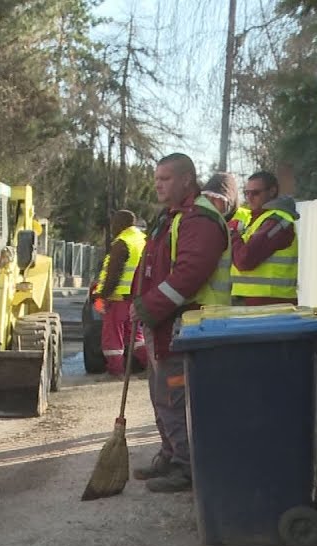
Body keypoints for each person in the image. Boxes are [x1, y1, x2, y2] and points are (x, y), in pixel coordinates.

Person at [130, 153, 231, 493]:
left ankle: (187, 468)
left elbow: (189, 274)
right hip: (166, 324)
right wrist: (140, 305)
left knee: (175, 396)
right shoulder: (172, 217)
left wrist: (149, 307)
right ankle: (171, 456)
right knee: (162, 395)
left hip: (189, 326)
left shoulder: (199, 219)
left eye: (166, 178)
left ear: (187, 179)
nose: (157, 184)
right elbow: (152, 267)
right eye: (156, 177)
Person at [231, 170, 300, 306]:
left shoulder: (277, 220)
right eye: (247, 193)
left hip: (271, 304)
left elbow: (245, 259)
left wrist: (233, 235)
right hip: (257, 302)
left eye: (255, 193)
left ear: (272, 191)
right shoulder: (259, 219)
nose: (249, 198)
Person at [93, 209, 148, 376]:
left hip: (118, 298)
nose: (112, 227)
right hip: (137, 297)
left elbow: (114, 274)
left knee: (113, 338)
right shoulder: (142, 239)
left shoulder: (122, 242)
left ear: (120, 224)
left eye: (114, 224)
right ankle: (151, 366)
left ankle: (115, 372)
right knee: (136, 336)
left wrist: (100, 294)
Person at [200, 171, 250, 236]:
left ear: (229, 201)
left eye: (216, 197)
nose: (210, 202)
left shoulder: (249, 218)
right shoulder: (200, 219)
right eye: (207, 196)